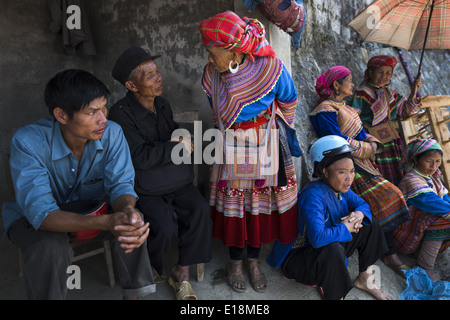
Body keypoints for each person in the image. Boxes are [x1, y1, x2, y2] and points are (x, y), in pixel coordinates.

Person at [1, 69, 155, 300]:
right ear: (62, 116)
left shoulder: (112, 133)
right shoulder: (28, 142)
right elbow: (42, 214)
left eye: (103, 108)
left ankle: (133, 296)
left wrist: (127, 211)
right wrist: (105, 221)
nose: (103, 118)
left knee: (132, 222)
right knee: (50, 247)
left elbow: (121, 186)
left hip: (91, 210)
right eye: (92, 112)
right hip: (35, 221)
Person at [198, 10, 299, 293]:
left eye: (212, 52)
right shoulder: (211, 74)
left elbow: (289, 99)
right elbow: (216, 109)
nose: (209, 59)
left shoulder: (271, 69)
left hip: (265, 143)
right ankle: (234, 262)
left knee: (257, 205)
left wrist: (274, 127)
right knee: (236, 205)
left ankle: (253, 261)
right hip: (230, 146)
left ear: (233, 51)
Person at [109, 47, 212, 300]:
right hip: (148, 187)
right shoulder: (119, 114)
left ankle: (182, 271)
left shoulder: (162, 104)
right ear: (132, 85)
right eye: (150, 75)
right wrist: (174, 147)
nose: (158, 78)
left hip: (176, 180)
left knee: (200, 209)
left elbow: (172, 131)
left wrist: (182, 137)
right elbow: (139, 157)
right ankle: (154, 267)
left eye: (157, 72)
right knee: (164, 226)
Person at [310, 66, 411, 277]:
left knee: (384, 201)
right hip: (348, 167)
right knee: (389, 196)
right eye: (349, 81)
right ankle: (387, 252)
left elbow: (361, 132)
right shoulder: (325, 110)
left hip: (362, 163)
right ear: (336, 85)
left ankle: (386, 250)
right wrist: (367, 148)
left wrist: (372, 141)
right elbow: (337, 142)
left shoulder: (343, 106)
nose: (353, 85)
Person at [267, 135, 391, 300]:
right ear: (325, 171)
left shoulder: (340, 189)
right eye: (342, 172)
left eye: (352, 171)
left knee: (370, 224)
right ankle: (335, 295)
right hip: (299, 259)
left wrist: (358, 214)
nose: (349, 178)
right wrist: (346, 227)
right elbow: (318, 239)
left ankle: (365, 279)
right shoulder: (313, 195)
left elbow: (363, 205)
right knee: (332, 249)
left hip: (326, 251)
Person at [351, 55, 422, 185]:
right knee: (382, 174)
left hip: (393, 140)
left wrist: (413, 92)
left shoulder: (391, 93)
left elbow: (405, 111)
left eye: (388, 73)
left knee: (399, 171)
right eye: (380, 72)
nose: (384, 76)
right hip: (374, 142)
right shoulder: (362, 93)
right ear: (371, 72)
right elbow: (353, 116)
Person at [394, 139, 450, 280]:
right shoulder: (412, 179)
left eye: (437, 161)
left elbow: (445, 199)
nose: (434, 166)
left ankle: (428, 253)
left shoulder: (433, 178)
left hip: (421, 227)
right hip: (405, 233)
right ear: (415, 159)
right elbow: (434, 203)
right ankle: (424, 267)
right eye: (429, 161)